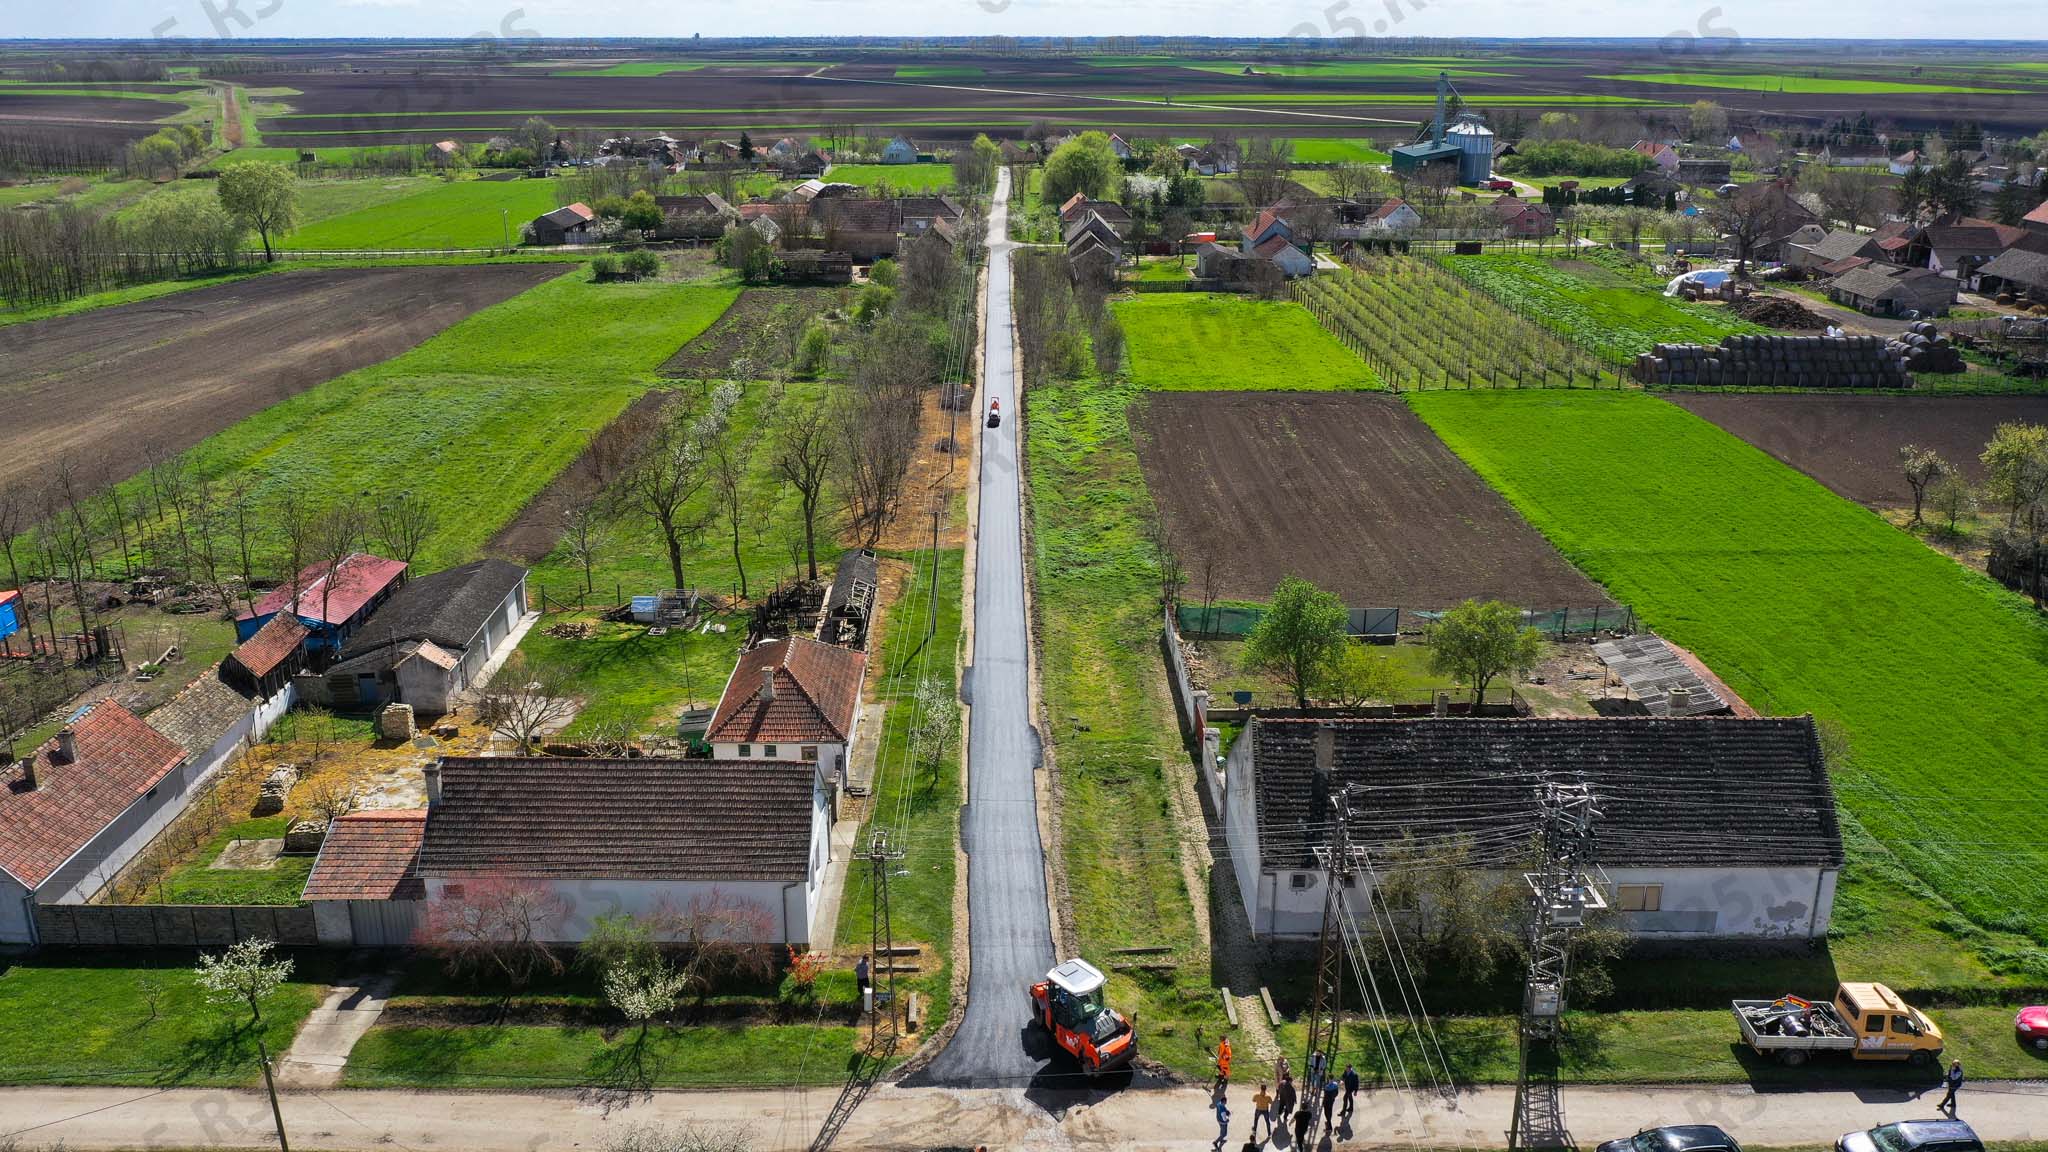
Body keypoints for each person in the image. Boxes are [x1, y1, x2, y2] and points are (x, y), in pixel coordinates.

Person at [1273, 1074, 1297, 1143]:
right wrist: (1295, 1100)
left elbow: (1279, 1088)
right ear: (1289, 1081)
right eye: (1291, 1081)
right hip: (1288, 1100)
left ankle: (1279, 1114)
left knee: (1281, 1105)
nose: (1291, 1082)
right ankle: (1285, 1117)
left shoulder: (1281, 1082)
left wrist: (1280, 1094)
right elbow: (1293, 1094)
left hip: (1282, 1097)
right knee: (1287, 1108)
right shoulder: (1291, 1087)